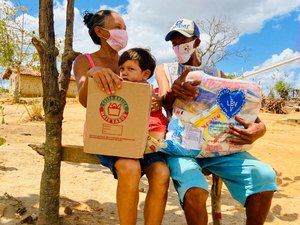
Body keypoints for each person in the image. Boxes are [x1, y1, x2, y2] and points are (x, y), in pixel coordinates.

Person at [155, 18, 277, 225]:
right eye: (174, 43)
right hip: (181, 147)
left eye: (183, 40)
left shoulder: (217, 74)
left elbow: (240, 106)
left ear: (196, 42)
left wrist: (261, 127)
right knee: (194, 191)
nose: (178, 47)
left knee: (265, 177)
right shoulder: (164, 69)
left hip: (219, 147)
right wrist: (174, 92)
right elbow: (164, 101)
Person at [73, 10, 169, 225]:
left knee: (162, 172)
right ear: (100, 31)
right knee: (130, 167)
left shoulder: (128, 61)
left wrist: (156, 102)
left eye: (125, 29)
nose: (123, 33)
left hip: (142, 139)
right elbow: (84, 100)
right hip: (109, 137)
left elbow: (147, 94)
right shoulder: (85, 61)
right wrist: (92, 73)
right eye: (118, 28)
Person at [118, 47, 169, 152]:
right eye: (122, 69)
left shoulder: (145, 87)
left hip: (153, 128)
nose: (124, 73)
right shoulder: (122, 86)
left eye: (130, 69)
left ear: (145, 74)